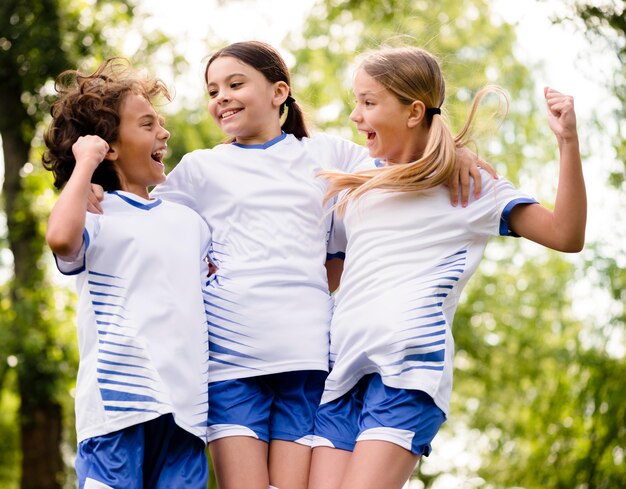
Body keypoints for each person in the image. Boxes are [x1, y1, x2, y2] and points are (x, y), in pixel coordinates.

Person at [88, 41, 489, 489]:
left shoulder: (328, 157)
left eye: (235, 84)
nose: (221, 96)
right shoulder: (200, 170)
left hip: (307, 361)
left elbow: (406, 157)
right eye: (213, 89)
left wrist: (456, 152)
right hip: (229, 365)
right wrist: (89, 185)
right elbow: (142, 217)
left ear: (279, 92)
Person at [308, 46, 586, 489]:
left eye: (368, 102)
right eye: (355, 101)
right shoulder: (359, 175)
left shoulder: (471, 188)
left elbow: (566, 235)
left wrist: (567, 142)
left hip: (408, 374)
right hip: (341, 372)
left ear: (414, 111)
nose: (355, 116)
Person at [43, 58, 211, 489]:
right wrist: (84, 165)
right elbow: (61, 239)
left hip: (187, 414)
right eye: (147, 124)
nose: (164, 133)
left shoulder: (191, 223)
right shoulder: (96, 215)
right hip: (118, 411)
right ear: (108, 146)